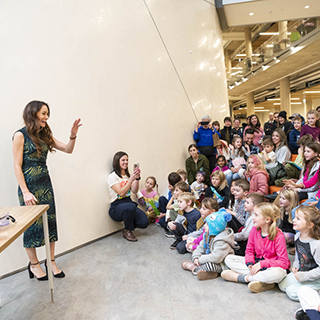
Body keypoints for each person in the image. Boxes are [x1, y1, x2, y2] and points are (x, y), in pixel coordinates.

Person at [12, 100, 82, 280]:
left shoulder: (45, 135)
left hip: (45, 185)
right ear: (33, 113)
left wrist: (72, 136)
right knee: (32, 226)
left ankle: (50, 261)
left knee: (50, 223)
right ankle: (34, 264)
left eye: (47, 113)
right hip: (29, 187)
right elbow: (17, 167)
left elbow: (67, 149)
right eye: (44, 113)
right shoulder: (20, 136)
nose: (47, 117)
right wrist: (25, 192)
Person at [221, 203, 290, 293]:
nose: (253, 217)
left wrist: (262, 264)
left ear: (267, 220)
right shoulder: (254, 229)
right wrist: (250, 263)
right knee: (229, 259)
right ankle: (263, 281)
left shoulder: (279, 236)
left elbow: (284, 263)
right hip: (256, 265)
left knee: (279, 273)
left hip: (271, 267)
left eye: (256, 215)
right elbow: (249, 250)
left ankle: (243, 278)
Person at [279, 206, 320, 301]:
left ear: (310, 225)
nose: (293, 220)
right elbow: (298, 255)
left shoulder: (316, 244)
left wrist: (304, 276)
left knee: (291, 292)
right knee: (282, 285)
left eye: (298, 218)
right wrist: (296, 266)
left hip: (316, 279)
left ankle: (316, 292)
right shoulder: (297, 236)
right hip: (301, 273)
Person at [181, 209, 235, 281]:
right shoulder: (207, 235)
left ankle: (193, 268)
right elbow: (200, 247)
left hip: (221, 264)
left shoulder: (222, 241)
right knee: (196, 255)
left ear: (214, 228)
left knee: (209, 265)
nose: (204, 226)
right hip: (209, 258)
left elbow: (216, 258)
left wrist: (200, 260)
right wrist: (196, 257)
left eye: (207, 225)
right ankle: (209, 273)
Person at [108, 152, 149, 242]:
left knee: (144, 222)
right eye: (123, 160)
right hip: (116, 206)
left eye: (127, 160)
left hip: (128, 203)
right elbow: (121, 193)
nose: (126, 162)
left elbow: (134, 191)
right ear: (117, 161)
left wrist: (137, 179)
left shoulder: (127, 176)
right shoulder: (112, 176)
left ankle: (129, 222)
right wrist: (130, 180)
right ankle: (127, 230)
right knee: (130, 206)